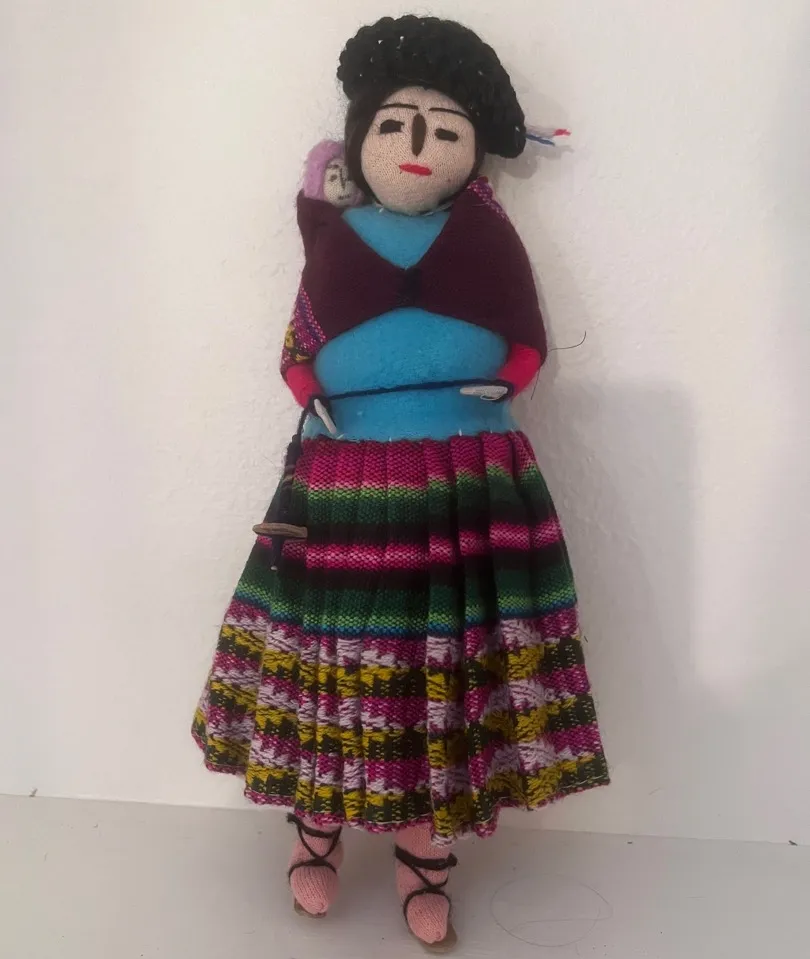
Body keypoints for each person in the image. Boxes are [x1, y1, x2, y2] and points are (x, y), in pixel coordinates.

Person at [194, 15, 608, 951]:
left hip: (466, 478)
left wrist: (513, 378)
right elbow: (298, 344)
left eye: (444, 129)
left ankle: (427, 857)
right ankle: (316, 830)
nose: (418, 146)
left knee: (441, 670)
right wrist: (307, 390)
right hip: (341, 478)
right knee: (332, 660)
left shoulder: (487, 231)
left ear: (472, 151)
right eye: (395, 125)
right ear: (356, 142)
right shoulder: (335, 233)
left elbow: (526, 334)